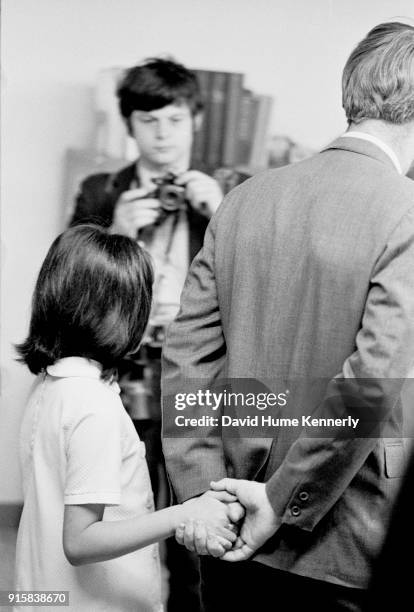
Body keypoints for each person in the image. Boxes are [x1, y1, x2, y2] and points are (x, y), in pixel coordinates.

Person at [162, 22, 414, 612]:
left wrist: (209, 500)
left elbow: (185, 360)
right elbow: (368, 386)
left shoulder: (244, 199)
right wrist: (280, 501)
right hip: (346, 538)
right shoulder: (406, 213)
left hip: (228, 529)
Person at [69, 57, 248, 610]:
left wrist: (219, 210)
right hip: (124, 362)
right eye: (149, 121)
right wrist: (116, 231)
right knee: (121, 500)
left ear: (195, 119)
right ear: (129, 127)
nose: (163, 133)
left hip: (199, 364)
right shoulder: (102, 190)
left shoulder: (231, 188)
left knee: (198, 496)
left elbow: (256, 281)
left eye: (174, 118)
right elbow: (70, 284)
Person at [14, 225, 243, 612]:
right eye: (141, 304)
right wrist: (184, 513)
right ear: (110, 313)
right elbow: (81, 542)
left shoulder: (51, 388)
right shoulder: (93, 406)